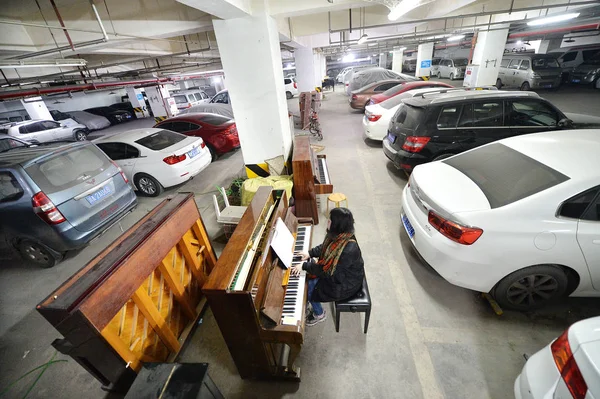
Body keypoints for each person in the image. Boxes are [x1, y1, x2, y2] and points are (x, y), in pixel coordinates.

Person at [291, 207, 365, 326]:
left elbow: (328, 273)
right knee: (309, 276)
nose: (327, 222)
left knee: (309, 288)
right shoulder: (338, 235)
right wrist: (310, 253)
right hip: (340, 274)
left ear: (337, 225)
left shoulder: (348, 249)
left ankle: (319, 314)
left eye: (330, 221)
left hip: (345, 283)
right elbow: (324, 247)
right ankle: (308, 303)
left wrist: (305, 266)